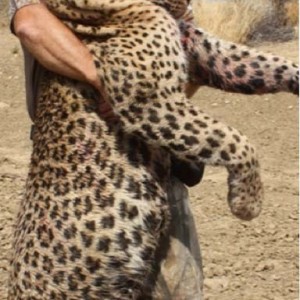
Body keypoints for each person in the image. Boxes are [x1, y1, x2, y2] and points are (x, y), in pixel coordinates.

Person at [9, 2, 204, 299]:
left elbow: (193, 54)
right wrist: (106, 79)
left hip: (160, 170)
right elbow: (31, 24)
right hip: (76, 181)